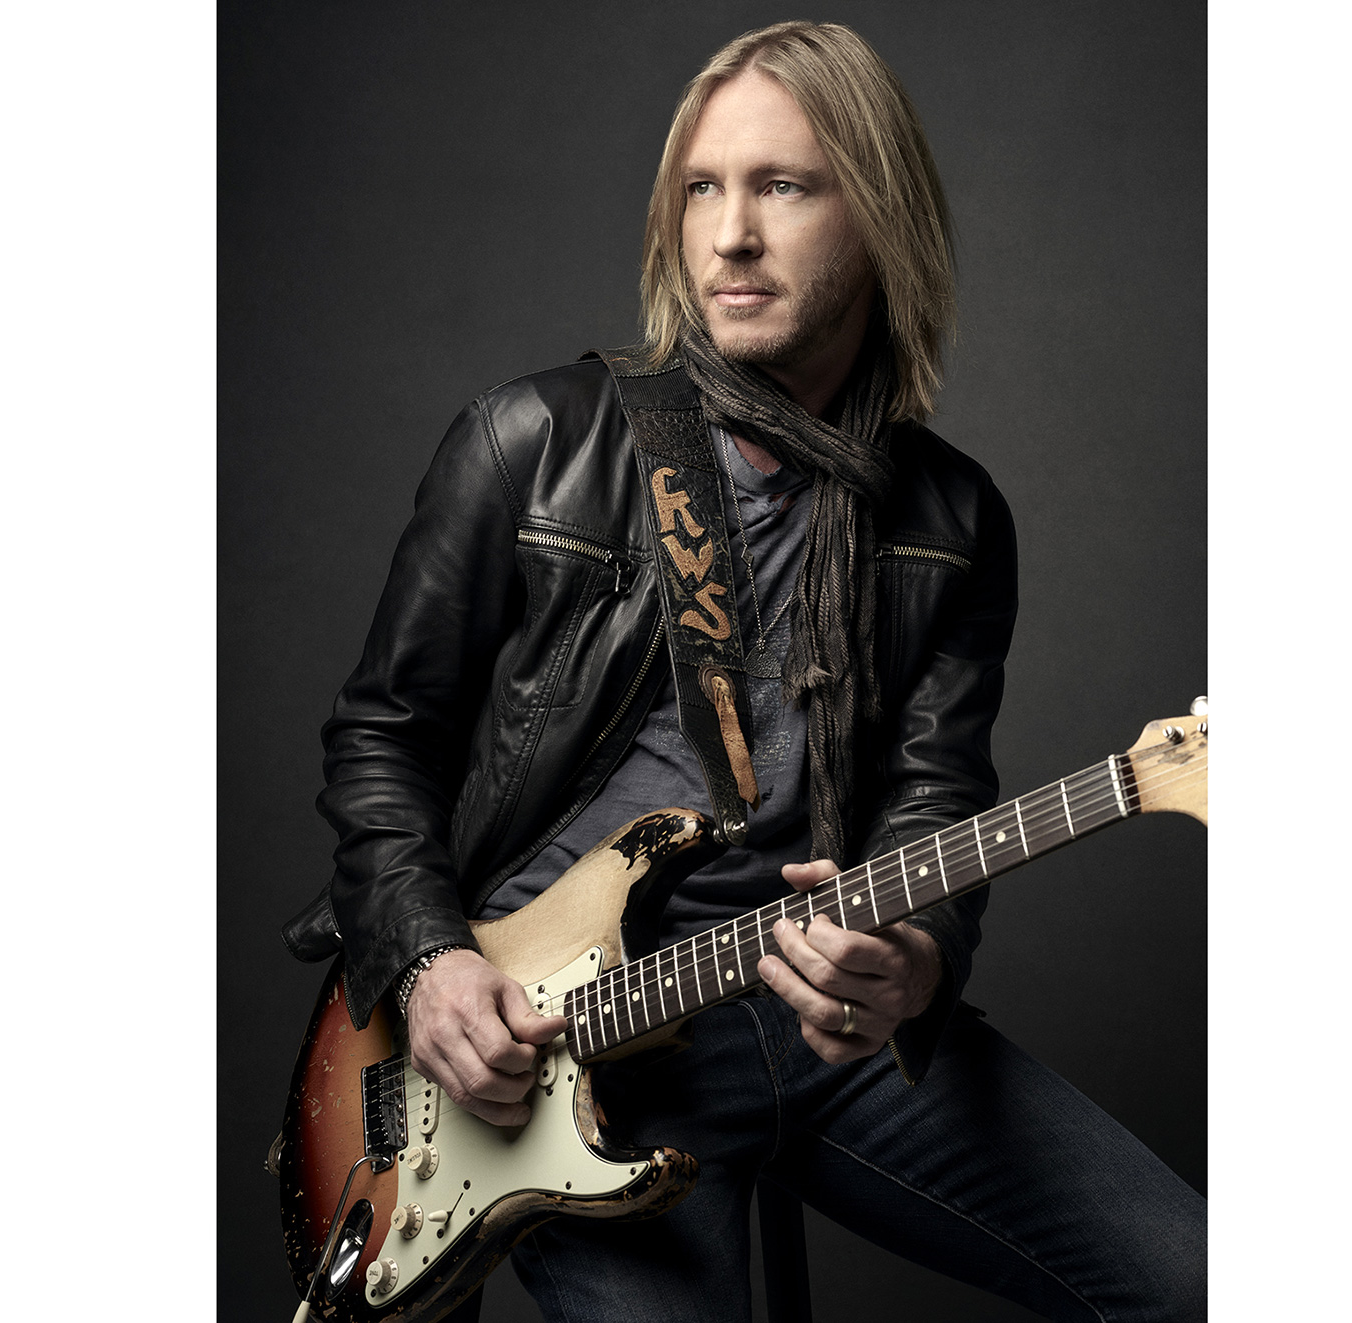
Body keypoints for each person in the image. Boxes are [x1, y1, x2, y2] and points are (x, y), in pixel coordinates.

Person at [281, 20, 1206, 1322]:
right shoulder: (534, 442)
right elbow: (384, 736)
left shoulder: (951, 519)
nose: (728, 236)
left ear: (878, 214)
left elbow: (935, 791)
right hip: (573, 1061)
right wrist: (431, 961)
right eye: (701, 189)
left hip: (822, 1034)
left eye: (783, 186)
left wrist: (917, 959)